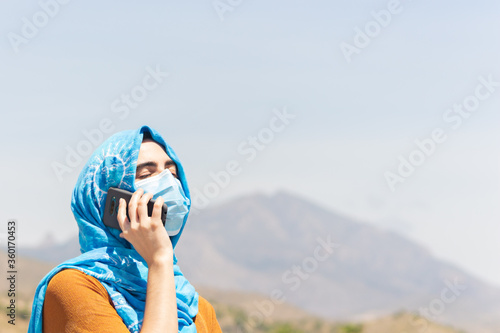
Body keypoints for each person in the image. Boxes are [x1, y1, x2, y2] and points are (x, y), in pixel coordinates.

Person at [28, 126, 223, 333]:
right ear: (106, 198)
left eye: (173, 174)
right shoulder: (74, 287)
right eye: (146, 174)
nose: (168, 183)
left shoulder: (197, 308)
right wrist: (159, 260)